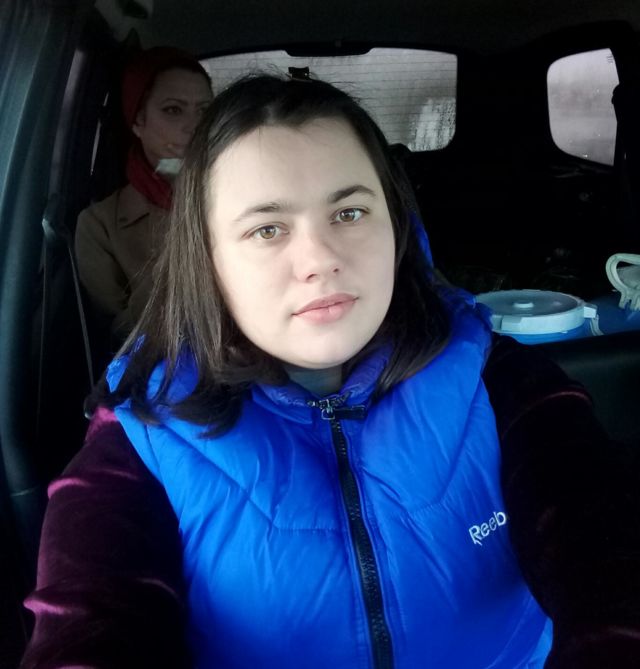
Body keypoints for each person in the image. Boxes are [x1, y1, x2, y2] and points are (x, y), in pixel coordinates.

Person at [22, 74, 640, 668]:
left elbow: (605, 554)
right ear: (208, 261)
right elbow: (90, 625)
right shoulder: (145, 438)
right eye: (267, 229)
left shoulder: (499, 380)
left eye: (349, 213)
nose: (318, 259)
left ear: (397, 229)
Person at [75, 46, 213, 343]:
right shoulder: (100, 226)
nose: (194, 127)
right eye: (173, 110)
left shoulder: (240, 192)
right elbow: (120, 335)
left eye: (204, 111)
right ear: (138, 121)